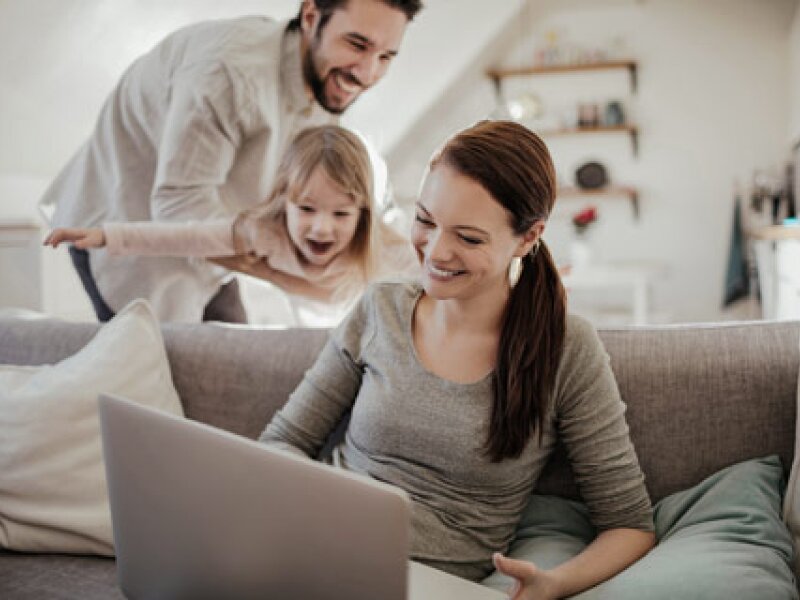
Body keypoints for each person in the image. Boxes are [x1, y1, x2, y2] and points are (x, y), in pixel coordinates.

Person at [259, 120, 655, 599]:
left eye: (468, 238)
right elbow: (282, 441)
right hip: (313, 547)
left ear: (528, 238)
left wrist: (554, 583)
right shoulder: (380, 308)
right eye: (425, 220)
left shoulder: (566, 348)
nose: (435, 251)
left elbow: (630, 525)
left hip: (425, 585)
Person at [39, 0, 423, 323]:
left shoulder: (328, 81)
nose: (369, 73)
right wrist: (288, 276)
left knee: (229, 370)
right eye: (357, 45)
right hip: (129, 233)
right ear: (310, 17)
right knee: (150, 389)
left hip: (212, 243)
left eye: (386, 56)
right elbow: (177, 211)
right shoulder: (227, 75)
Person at [44, 125, 416, 314]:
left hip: (344, 304)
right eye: (306, 209)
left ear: (363, 213)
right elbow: (183, 237)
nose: (321, 227)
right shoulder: (263, 232)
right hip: (301, 295)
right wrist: (105, 235)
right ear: (283, 201)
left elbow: (436, 276)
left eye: (341, 213)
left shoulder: (387, 251)